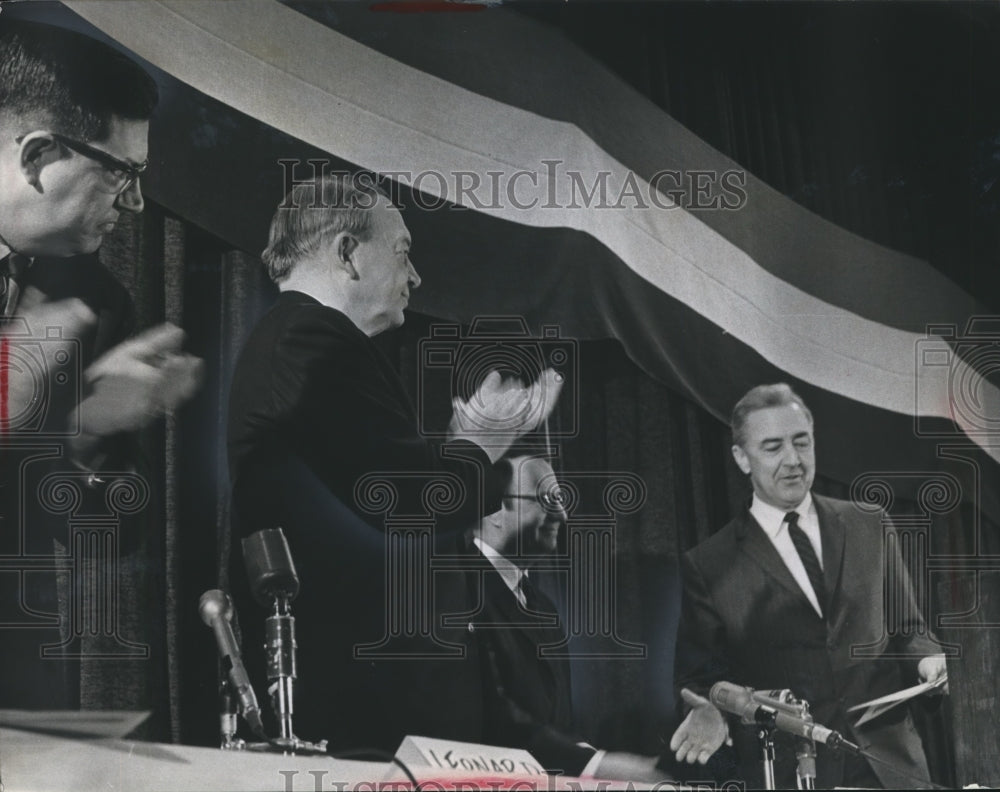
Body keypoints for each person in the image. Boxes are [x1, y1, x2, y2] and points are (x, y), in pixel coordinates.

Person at [226, 173, 562, 752]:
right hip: (360, 720)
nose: (416, 276)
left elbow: (385, 491)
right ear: (347, 253)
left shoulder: (307, 341)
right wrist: (482, 440)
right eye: (403, 252)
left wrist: (460, 446)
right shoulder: (310, 340)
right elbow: (414, 503)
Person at [0, 19, 202, 708]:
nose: (137, 202)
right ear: (38, 156)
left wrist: (88, 435)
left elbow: (110, 537)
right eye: (122, 173)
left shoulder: (98, 299)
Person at [670, 383, 947, 789]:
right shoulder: (709, 564)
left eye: (802, 442)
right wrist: (709, 710)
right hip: (792, 774)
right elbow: (698, 680)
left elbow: (909, 630)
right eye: (773, 447)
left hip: (893, 769)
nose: (793, 460)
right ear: (741, 458)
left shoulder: (869, 523)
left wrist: (929, 661)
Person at [467, 454, 667, 782]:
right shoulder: (456, 591)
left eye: (561, 500)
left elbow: (556, 725)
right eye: (547, 500)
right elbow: (490, 715)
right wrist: (596, 765)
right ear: (496, 510)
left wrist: (596, 761)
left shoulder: (543, 608)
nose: (562, 514)